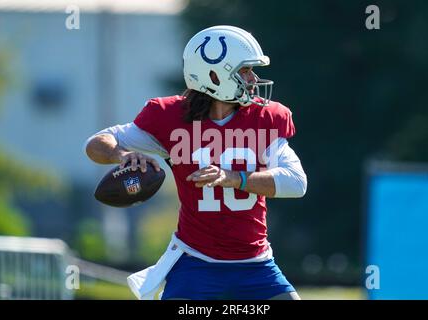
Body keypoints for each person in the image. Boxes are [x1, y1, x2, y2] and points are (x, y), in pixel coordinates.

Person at [85, 25, 307, 300]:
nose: (253, 78)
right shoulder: (168, 117)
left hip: (256, 264)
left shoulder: (265, 117)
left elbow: (297, 182)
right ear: (215, 75)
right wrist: (123, 155)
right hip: (195, 263)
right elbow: (96, 144)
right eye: (245, 70)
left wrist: (236, 178)